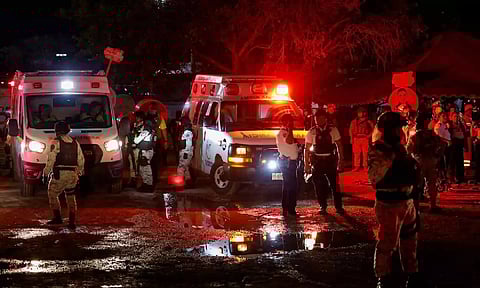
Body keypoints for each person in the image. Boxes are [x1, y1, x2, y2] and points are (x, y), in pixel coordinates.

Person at [368, 112, 420, 287]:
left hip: (407, 201)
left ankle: (411, 274)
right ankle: (383, 276)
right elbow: (375, 179)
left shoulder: (401, 148)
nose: (401, 131)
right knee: (387, 242)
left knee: (409, 241)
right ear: (390, 129)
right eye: (399, 127)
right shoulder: (379, 150)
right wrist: (395, 158)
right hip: (389, 203)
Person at [43, 121, 84, 230]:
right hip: (73, 174)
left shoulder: (56, 142)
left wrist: (46, 173)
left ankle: (57, 218)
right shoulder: (75, 143)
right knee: (71, 197)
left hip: (60, 174)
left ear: (57, 131)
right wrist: (79, 172)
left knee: (52, 193)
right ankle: (72, 222)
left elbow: (50, 159)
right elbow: (81, 159)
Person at [304, 110, 345, 215]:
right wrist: (306, 164)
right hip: (317, 162)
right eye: (317, 118)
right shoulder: (312, 131)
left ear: (325, 118)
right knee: (318, 186)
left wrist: (341, 161)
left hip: (330, 161)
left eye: (321, 118)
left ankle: (339, 207)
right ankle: (323, 206)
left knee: (335, 185)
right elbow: (307, 149)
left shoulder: (333, 130)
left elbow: (339, 145)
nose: (318, 120)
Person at [407, 114, 446, 212]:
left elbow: (408, 150)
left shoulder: (415, 137)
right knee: (431, 183)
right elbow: (443, 144)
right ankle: (432, 205)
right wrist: (437, 156)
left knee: (417, 184)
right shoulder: (432, 134)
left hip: (419, 161)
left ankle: (416, 207)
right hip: (431, 160)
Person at [276, 114, 300, 217]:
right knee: (291, 185)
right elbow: (289, 141)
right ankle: (290, 209)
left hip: (290, 162)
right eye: (289, 121)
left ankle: (286, 207)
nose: (292, 123)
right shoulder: (283, 133)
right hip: (287, 162)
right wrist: (290, 129)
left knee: (288, 185)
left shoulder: (286, 132)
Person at [133, 112, 156, 192]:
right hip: (147, 150)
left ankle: (148, 185)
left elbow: (136, 141)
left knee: (146, 168)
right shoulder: (151, 129)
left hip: (145, 151)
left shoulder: (146, 130)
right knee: (143, 168)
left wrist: (136, 134)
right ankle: (145, 184)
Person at [349, 106, 374, 171]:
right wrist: (351, 139)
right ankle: (357, 166)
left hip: (364, 138)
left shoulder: (368, 121)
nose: (361, 114)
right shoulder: (354, 121)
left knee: (365, 153)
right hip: (356, 138)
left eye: (363, 112)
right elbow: (350, 130)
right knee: (356, 153)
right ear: (357, 113)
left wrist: (369, 135)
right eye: (360, 112)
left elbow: (373, 128)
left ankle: (365, 166)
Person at [448, 112, 466, 184]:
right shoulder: (450, 125)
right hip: (454, 143)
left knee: (460, 161)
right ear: (451, 117)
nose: (456, 118)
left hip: (460, 143)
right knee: (453, 161)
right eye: (455, 116)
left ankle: (460, 177)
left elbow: (464, 133)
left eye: (457, 116)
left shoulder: (460, 124)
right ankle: (452, 177)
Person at [177, 116, 194, 185]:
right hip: (185, 152)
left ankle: (179, 183)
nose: (180, 124)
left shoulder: (187, 132)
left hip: (185, 152)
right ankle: (188, 181)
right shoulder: (187, 131)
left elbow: (187, 143)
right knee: (186, 167)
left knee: (181, 167)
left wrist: (185, 153)